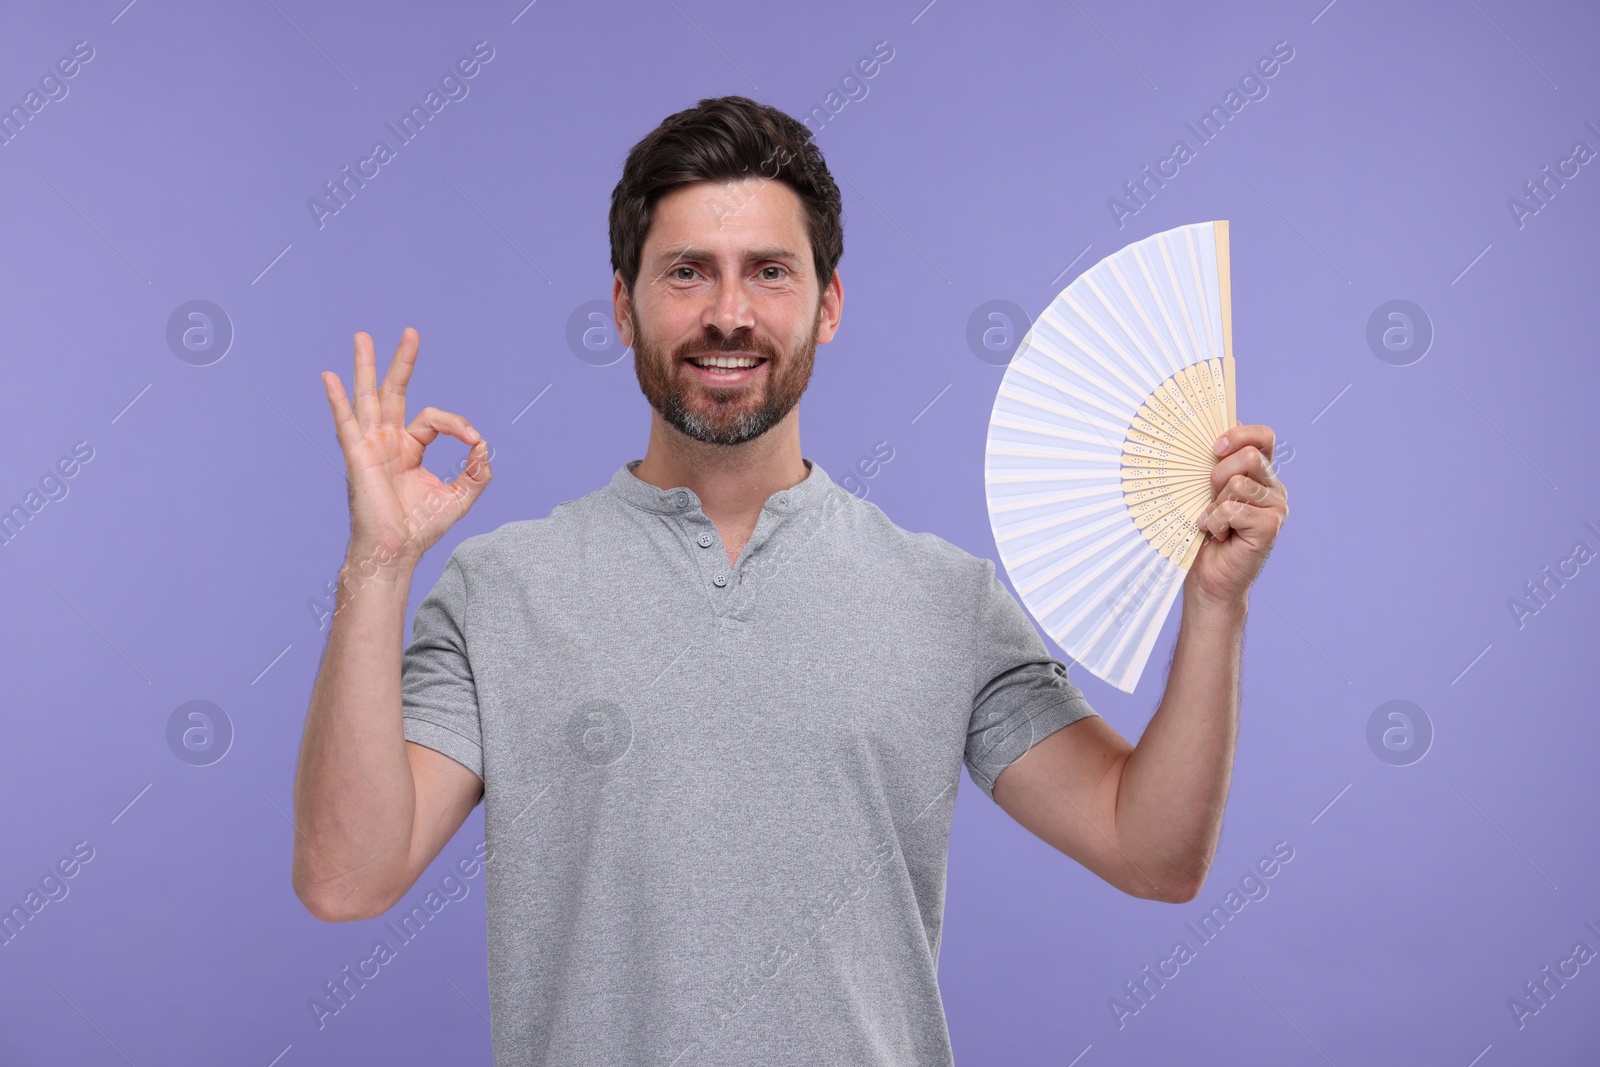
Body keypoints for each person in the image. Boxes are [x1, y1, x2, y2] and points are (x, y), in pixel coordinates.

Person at [291, 94, 1288, 1065]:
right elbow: (347, 876)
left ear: (828, 304)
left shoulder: (943, 597)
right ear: (621, 305)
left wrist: (1213, 603)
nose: (729, 314)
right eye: (686, 272)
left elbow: (1150, 849)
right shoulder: (501, 589)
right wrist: (377, 565)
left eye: (769, 271)